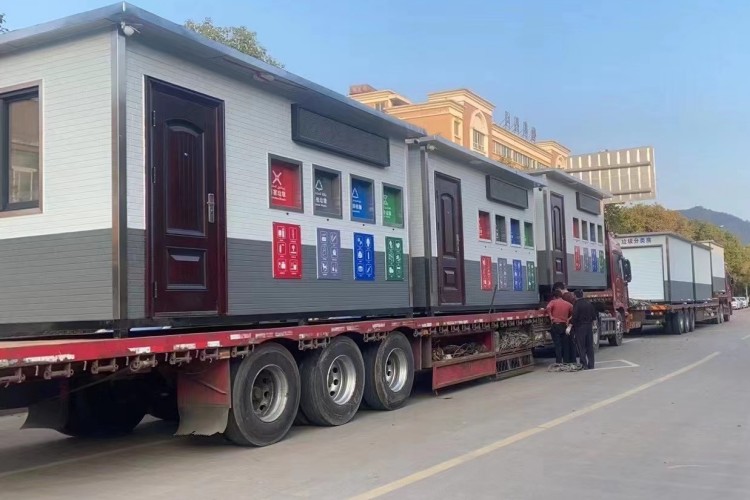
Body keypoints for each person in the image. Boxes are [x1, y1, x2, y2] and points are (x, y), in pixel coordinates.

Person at [546, 288, 573, 364]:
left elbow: (548, 307)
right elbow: (574, 312)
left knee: (558, 345)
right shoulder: (567, 304)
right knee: (565, 344)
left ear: (554, 296)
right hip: (564, 325)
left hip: (556, 325)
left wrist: (551, 316)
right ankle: (566, 361)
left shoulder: (553, 302)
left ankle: (559, 362)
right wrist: (568, 319)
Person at [571, 289, 597, 369]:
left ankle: (584, 364)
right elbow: (594, 316)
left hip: (580, 327)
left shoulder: (577, 304)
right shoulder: (589, 303)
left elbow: (575, 316)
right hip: (589, 326)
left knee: (581, 346)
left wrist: (571, 325)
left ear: (575, 295)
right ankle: (591, 365)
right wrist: (594, 326)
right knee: (589, 346)